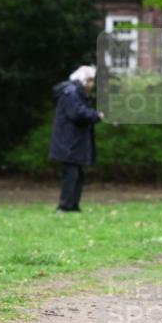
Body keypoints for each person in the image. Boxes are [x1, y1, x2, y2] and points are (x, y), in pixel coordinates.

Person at [49, 65, 104, 213]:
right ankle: (64, 206)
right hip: (69, 143)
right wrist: (97, 116)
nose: (92, 85)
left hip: (73, 143)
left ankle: (73, 205)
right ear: (84, 80)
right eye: (91, 80)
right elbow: (77, 114)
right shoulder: (71, 93)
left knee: (78, 175)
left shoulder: (76, 92)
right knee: (71, 175)